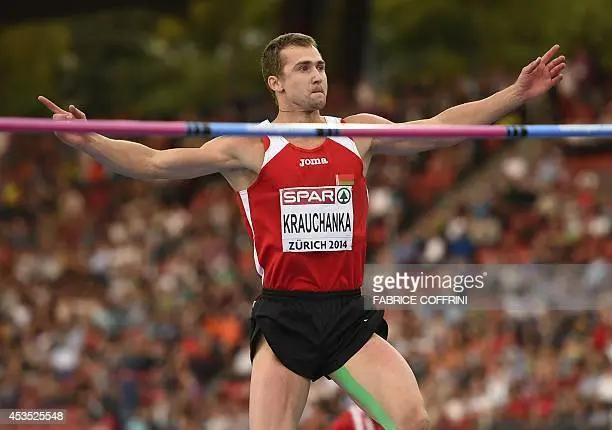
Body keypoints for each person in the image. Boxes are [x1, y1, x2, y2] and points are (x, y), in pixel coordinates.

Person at [38, 33, 566, 430]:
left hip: (347, 314)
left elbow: (441, 129)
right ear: (276, 82)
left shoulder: (355, 134)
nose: (318, 76)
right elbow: (154, 164)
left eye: (321, 66)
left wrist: (514, 95)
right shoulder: (247, 148)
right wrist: (90, 142)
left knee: (413, 420)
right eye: (304, 68)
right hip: (286, 316)